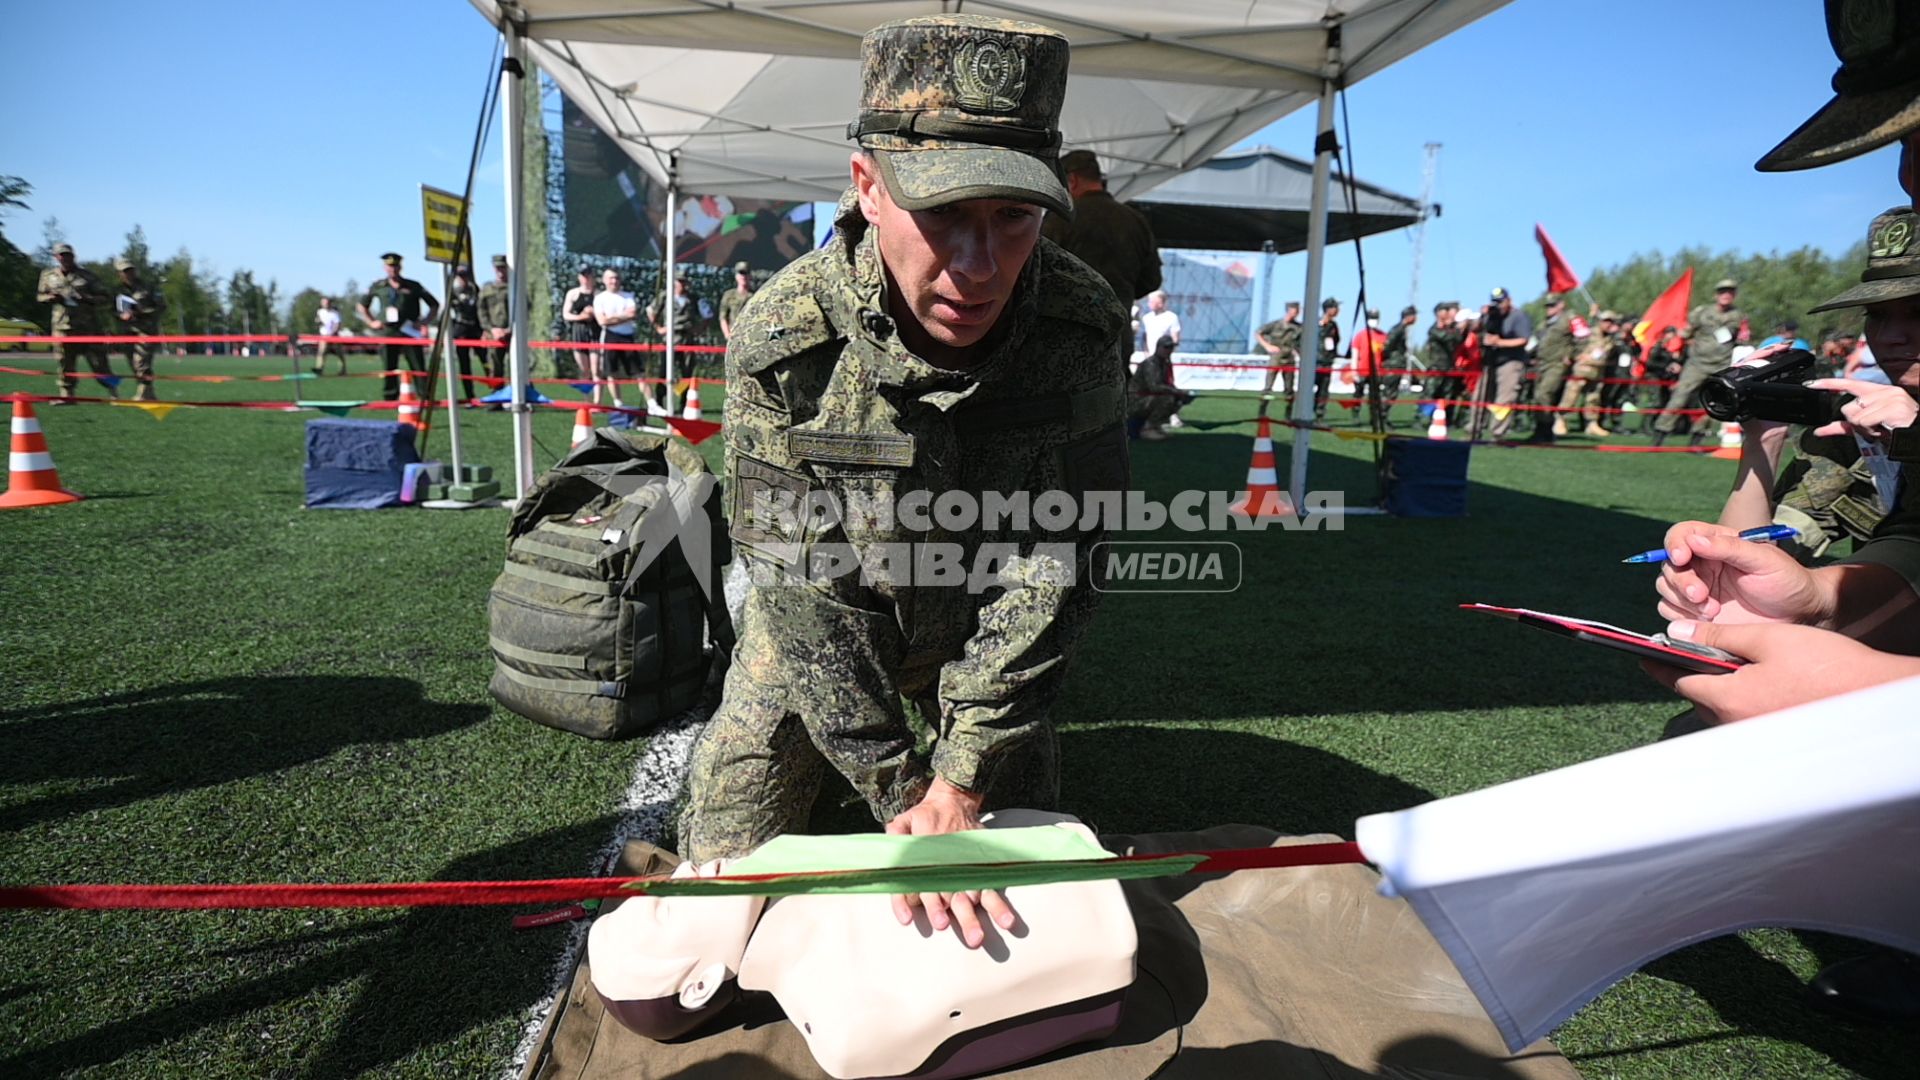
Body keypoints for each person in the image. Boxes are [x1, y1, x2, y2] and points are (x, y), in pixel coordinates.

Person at [682, 12, 1128, 950]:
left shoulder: (1079, 327)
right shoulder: (784, 335)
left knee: (1023, 910)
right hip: (825, 630)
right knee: (717, 897)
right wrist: (898, 789)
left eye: (1013, 218)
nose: (978, 267)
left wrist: (962, 776)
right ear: (867, 188)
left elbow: (1061, 557)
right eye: (945, 216)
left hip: (983, 635)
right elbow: (802, 583)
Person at [1651, 9, 1920, 1016]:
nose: (1891, 340)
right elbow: (1800, 547)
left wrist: (1869, 678)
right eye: (1879, 318)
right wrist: (1800, 591)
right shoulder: (1870, 440)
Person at [1041, 149, 1162, 308]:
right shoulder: (1136, 220)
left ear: (1072, 180)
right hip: (1118, 326)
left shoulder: (1060, 217)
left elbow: (1037, 269)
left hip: (1067, 324)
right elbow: (1152, 280)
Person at [1651, 278, 1746, 445]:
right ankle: (1660, 433)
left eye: (1730, 292)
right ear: (1716, 295)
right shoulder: (1701, 312)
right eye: (1723, 291)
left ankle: (1697, 439)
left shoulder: (1738, 316)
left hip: (1721, 365)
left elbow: (1742, 338)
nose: (1726, 295)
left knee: (1711, 402)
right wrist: (1676, 354)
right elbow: (1684, 334)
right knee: (1680, 396)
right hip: (1697, 364)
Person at [356, 253, 439, 401]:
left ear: (400, 267)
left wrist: (424, 322)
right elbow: (362, 305)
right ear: (384, 268)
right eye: (389, 266)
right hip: (388, 332)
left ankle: (425, 397)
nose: (392, 269)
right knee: (389, 366)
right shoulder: (379, 286)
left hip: (409, 331)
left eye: (395, 266)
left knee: (418, 366)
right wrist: (371, 322)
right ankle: (390, 397)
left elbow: (434, 304)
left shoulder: (413, 286)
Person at [36, 242, 112, 400]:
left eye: (68, 255)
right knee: (64, 363)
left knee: (99, 364)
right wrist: (51, 297)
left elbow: (106, 297)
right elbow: (40, 296)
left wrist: (88, 298)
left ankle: (115, 393)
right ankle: (67, 395)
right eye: (61, 255)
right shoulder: (48, 275)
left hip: (88, 328)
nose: (65, 258)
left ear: (73, 256)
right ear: (56, 257)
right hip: (62, 328)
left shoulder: (87, 276)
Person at [1477, 287, 1532, 439]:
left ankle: (1497, 433)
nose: (1498, 305)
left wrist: (1500, 342)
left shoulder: (1519, 316)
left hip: (1511, 361)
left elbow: (1523, 339)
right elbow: (1478, 331)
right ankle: (1474, 430)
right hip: (1491, 360)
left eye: (1501, 302)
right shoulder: (1492, 315)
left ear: (1509, 301)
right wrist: (1482, 317)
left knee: (1504, 399)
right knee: (1480, 396)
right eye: (1495, 302)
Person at [111, 257, 166, 402]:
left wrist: (141, 312)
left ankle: (143, 392)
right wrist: (121, 315)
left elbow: (161, 306)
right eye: (125, 271)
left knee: (141, 362)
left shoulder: (148, 287)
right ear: (119, 273)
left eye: (130, 270)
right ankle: (149, 392)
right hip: (127, 331)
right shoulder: (117, 290)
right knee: (132, 363)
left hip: (146, 330)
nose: (128, 274)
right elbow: (111, 310)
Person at [1558, 309, 1618, 437]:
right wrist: (1574, 356)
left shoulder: (1610, 338)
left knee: (1593, 400)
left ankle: (1591, 424)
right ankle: (1560, 421)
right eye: (1607, 321)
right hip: (1582, 370)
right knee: (1570, 397)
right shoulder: (1589, 333)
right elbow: (1573, 343)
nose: (1609, 324)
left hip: (1597, 372)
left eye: (1612, 322)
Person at [1528, 294, 1577, 442]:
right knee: (1538, 397)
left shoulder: (1568, 320)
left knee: (1544, 394)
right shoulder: (1545, 324)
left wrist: (1571, 356)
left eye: (1552, 305)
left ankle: (1546, 430)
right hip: (1542, 364)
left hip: (1556, 364)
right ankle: (1540, 430)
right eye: (1548, 306)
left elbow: (1582, 338)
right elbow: (1536, 342)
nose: (1549, 309)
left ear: (1561, 305)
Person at [1129, 334, 1192, 440]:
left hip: (1145, 398)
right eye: (1166, 347)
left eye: (1171, 347)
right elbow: (1154, 387)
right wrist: (1177, 391)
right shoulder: (1151, 363)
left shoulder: (1164, 363)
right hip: (1135, 400)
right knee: (1168, 399)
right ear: (1158, 348)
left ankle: (1155, 426)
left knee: (1177, 399)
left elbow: (1166, 384)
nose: (1169, 350)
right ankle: (1147, 429)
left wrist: (1179, 393)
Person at [593, 267, 640, 407]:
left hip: (628, 336)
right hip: (610, 336)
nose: (614, 281)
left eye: (617, 278)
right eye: (611, 278)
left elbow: (632, 314)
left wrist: (612, 318)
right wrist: (623, 317)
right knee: (611, 372)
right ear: (604, 280)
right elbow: (602, 321)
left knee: (638, 371)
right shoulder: (599, 298)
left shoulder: (628, 295)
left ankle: (652, 403)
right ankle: (618, 403)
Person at [564, 266, 603, 404]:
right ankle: (586, 400)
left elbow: (604, 315)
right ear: (579, 277)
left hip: (595, 332)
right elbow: (566, 314)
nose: (586, 278)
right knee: (584, 370)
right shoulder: (572, 294)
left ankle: (598, 402)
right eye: (583, 275)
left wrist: (593, 312)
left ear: (593, 277)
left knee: (596, 370)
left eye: (588, 275)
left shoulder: (599, 295)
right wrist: (581, 316)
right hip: (579, 332)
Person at [1421, 301, 1464, 425]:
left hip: (1449, 367)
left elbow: (1458, 340)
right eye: (1444, 310)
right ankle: (1423, 419)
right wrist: (1456, 328)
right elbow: (1446, 337)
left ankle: (1444, 419)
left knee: (1447, 395)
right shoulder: (1434, 329)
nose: (1447, 313)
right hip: (1436, 367)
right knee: (1430, 394)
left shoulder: (1451, 329)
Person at [447, 263, 484, 402]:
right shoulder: (452, 291)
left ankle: (496, 391)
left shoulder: (475, 289)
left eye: (465, 275)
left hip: (476, 330)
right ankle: (470, 396)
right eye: (460, 275)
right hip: (461, 329)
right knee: (464, 365)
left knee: (486, 360)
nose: (463, 278)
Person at [1255, 300, 1302, 397]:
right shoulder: (1276, 324)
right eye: (1295, 309)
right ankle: (1264, 405)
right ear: (1289, 310)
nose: (1297, 312)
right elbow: (1258, 333)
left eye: (1298, 310)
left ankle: (1289, 406)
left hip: (1289, 356)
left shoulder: (1298, 327)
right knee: (1269, 384)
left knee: (1289, 387)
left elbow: (1301, 342)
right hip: (1276, 355)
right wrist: (1267, 346)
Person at [478, 254, 512, 386]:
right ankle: (497, 397)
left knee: (518, 365)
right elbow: (481, 311)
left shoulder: (515, 287)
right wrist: (491, 329)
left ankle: (521, 395)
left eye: (502, 268)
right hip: (494, 333)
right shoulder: (487, 288)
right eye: (497, 268)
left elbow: (525, 310)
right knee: (495, 366)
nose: (500, 271)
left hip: (512, 333)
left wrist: (509, 329)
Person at [1312, 297, 1341, 419]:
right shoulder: (1315, 323)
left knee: (1324, 390)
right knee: (1309, 388)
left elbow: (1336, 340)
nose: (1338, 310)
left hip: (1327, 362)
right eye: (1335, 308)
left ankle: (1319, 414)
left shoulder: (1333, 325)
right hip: (1315, 361)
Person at [718, 260, 754, 342]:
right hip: (733, 336)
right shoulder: (729, 295)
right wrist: (727, 335)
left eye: (745, 273)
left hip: (750, 337)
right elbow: (723, 317)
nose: (743, 276)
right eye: (741, 273)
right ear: (736, 276)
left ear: (750, 276)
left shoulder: (755, 295)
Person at [313, 298, 344, 376]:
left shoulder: (335, 313)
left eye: (326, 303)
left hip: (334, 336)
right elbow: (317, 320)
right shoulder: (319, 312)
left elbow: (337, 324)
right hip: (324, 335)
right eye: (323, 303)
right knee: (321, 352)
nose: (325, 304)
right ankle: (319, 369)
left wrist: (332, 334)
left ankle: (342, 370)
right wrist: (318, 321)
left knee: (339, 353)